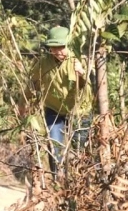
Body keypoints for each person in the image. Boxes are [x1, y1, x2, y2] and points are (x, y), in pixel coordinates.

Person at [31, 26, 90, 173]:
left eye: (61, 47)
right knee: (54, 145)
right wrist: (24, 104)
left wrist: (82, 73)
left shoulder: (79, 60)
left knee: (79, 148)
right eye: (53, 48)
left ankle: (78, 181)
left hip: (79, 110)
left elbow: (88, 89)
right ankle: (57, 178)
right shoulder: (43, 63)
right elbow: (32, 84)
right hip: (54, 108)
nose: (57, 52)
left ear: (68, 45)